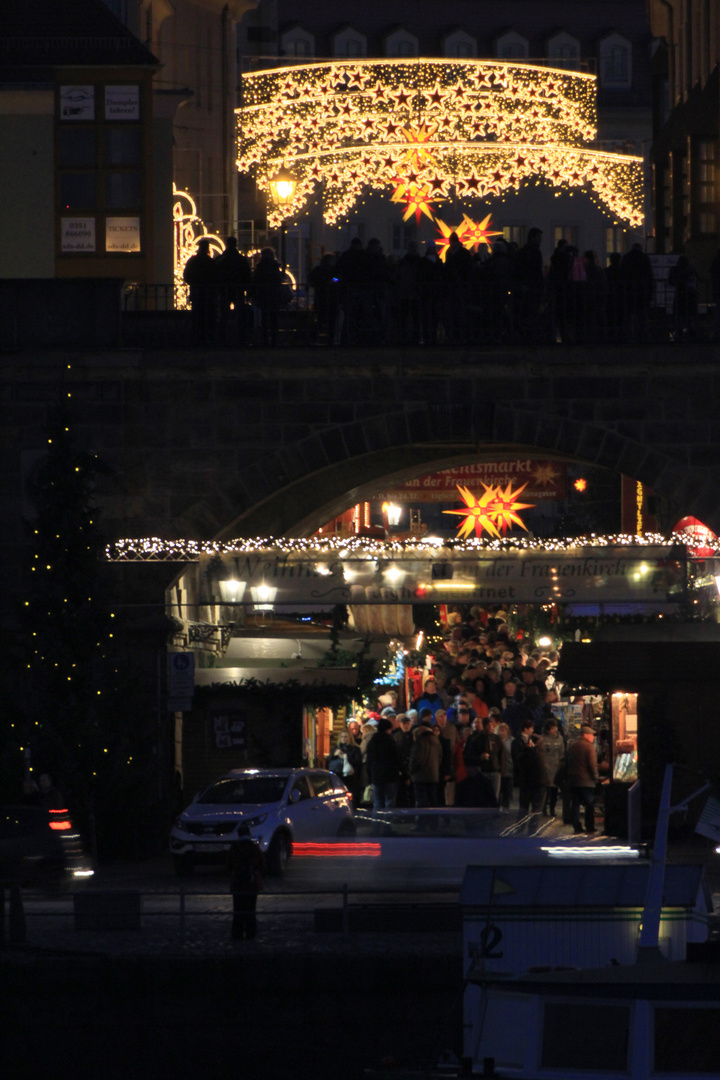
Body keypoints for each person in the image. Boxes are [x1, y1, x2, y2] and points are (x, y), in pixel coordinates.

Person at [227, 823, 264, 940]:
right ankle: (250, 933)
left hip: (237, 884)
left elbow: (228, 865)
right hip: (252, 884)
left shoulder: (234, 847)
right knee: (251, 911)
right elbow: (262, 864)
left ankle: (237, 933)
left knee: (237, 910)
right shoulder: (254, 847)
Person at [214, 236, 252, 345]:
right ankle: (240, 338)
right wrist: (246, 288)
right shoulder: (241, 260)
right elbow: (247, 275)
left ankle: (222, 339)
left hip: (224, 289)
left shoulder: (221, 260)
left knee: (223, 315)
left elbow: (215, 274)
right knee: (239, 315)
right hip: (238, 289)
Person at [183, 237, 217, 344]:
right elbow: (215, 277)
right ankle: (208, 339)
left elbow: (186, 276)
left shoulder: (192, 261)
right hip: (208, 294)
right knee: (208, 317)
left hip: (196, 292)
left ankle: (196, 338)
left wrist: (194, 283)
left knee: (197, 317)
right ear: (207, 249)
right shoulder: (210, 262)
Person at [566, 724, 599, 834]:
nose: (593, 737)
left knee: (575, 804)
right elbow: (592, 765)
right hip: (586, 782)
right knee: (589, 804)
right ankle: (589, 825)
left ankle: (577, 826)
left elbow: (567, 763)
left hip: (573, 781)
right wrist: (596, 778)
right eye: (591, 735)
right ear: (585, 735)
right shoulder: (589, 747)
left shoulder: (572, 747)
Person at [365, 716, 401, 811]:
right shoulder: (391, 742)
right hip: (390, 776)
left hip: (376, 776)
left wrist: (369, 776)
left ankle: (376, 823)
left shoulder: (372, 742)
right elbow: (396, 759)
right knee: (389, 802)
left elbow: (369, 761)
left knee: (377, 802)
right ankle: (386, 824)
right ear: (387, 729)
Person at [252, 247, 284, 346]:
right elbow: (278, 280)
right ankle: (274, 339)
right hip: (274, 295)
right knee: (274, 318)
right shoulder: (275, 267)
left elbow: (255, 280)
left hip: (263, 296)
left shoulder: (260, 268)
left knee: (264, 319)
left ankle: (265, 339)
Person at [409, 719, 441, 808]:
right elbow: (439, 758)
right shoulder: (436, 741)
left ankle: (423, 820)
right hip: (433, 775)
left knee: (421, 801)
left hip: (420, 776)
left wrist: (411, 771)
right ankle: (434, 820)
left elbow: (417, 759)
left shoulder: (421, 741)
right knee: (432, 799)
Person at [328, 730, 363, 807]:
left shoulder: (355, 748)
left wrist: (345, 757)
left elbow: (358, 762)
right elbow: (329, 759)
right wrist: (334, 755)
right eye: (342, 737)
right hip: (338, 775)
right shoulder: (337, 747)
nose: (344, 738)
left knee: (350, 794)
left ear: (350, 738)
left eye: (346, 737)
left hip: (350, 776)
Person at [541, 718, 565, 817]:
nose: (555, 730)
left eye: (556, 728)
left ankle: (552, 809)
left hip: (556, 767)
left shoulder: (560, 739)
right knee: (546, 791)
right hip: (546, 768)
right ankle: (543, 809)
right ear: (548, 730)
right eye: (552, 728)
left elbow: (562, 752)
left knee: (554, 791)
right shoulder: (543, 739)